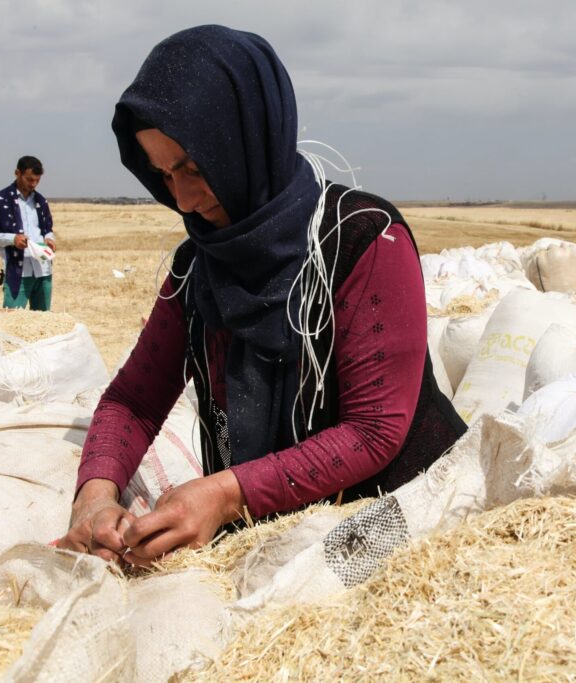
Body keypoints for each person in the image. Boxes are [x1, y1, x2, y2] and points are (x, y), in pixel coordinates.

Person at [57, 25, 466, 566]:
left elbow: (374, 431)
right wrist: (95, 495)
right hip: (266, 528)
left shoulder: (364, 238)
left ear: (244, 141)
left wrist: (225, 495)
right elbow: (133, 401)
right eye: (161, 174)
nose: (181, 197)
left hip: (397, 514)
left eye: (193, 168)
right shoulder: (197, 268)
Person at [0, 156, 56, 310]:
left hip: (43, 270)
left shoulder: (41, 201)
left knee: (45, 323)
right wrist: (12, 239)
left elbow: (47, 229)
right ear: (17, 173)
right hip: (17, 272)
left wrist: (49, 239)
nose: (33, 184)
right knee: (13, 322)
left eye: (37, 180)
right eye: (29, 179)